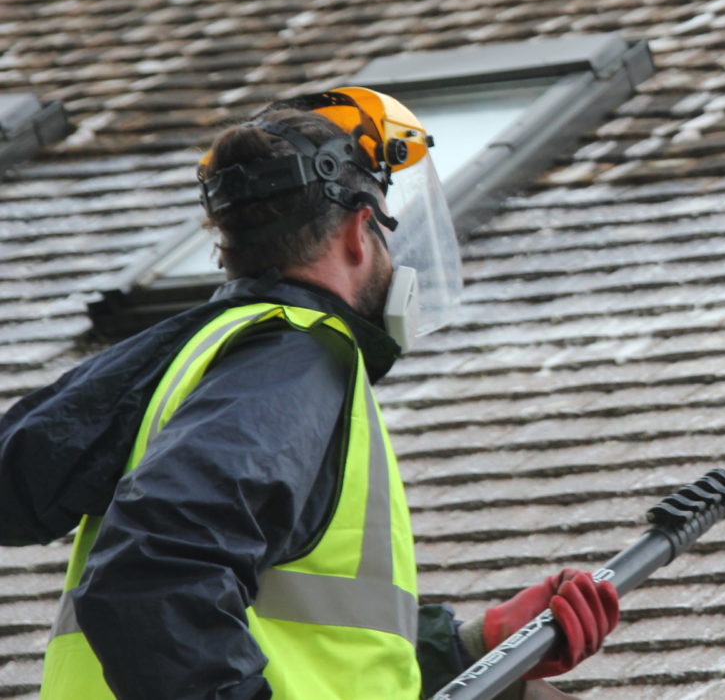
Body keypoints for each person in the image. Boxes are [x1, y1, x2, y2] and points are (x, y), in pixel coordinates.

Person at [0, 88, 618, 699]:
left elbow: (304, 645)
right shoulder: (296, 357)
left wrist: (471, 643)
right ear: (357, 231)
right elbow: (154, 572)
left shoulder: (193, 359)